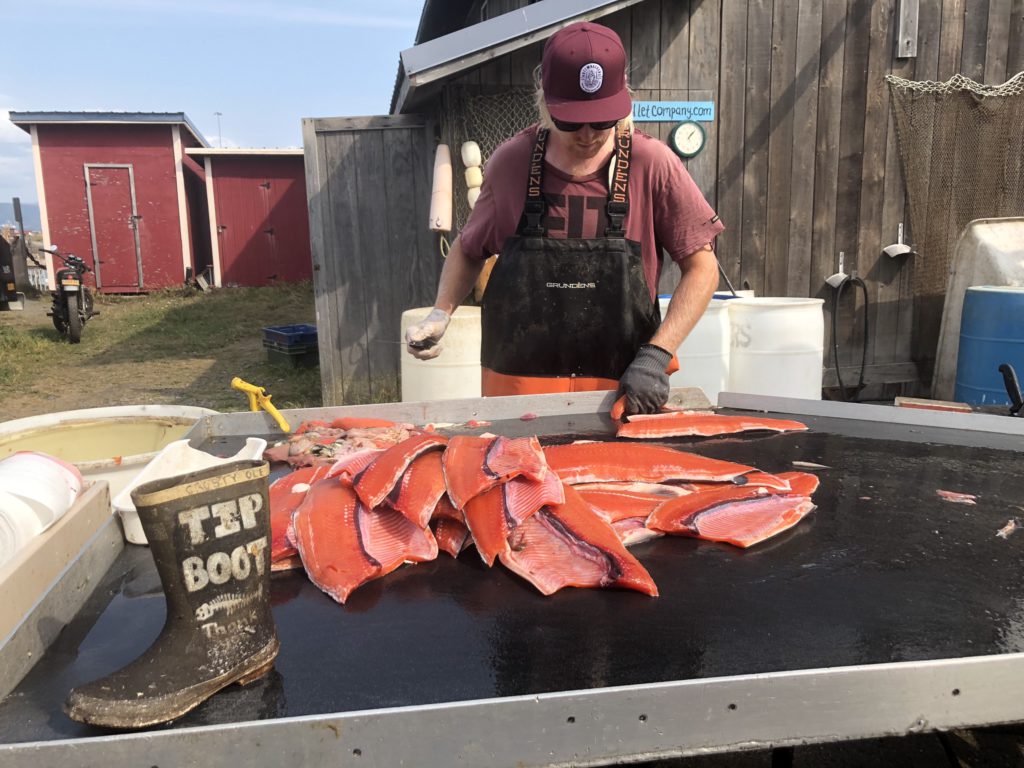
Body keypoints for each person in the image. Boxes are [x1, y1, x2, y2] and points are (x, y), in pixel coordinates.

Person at [405, 21, 724, 414]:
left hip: (621, 392)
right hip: (517, 394)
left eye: (602, 119)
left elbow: (703, 267)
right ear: (544, 102)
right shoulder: (512, 163)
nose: (588, 134)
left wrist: (658, 354)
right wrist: (442, 310)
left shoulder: (652, 164)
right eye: (572, 121)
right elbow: (470, 249)